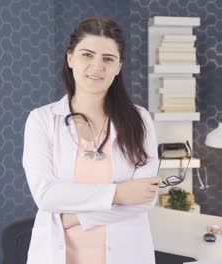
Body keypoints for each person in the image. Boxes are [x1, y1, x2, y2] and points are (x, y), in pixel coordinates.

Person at [22, 16, 161, 264]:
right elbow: (47, 195)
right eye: (87, 54)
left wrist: (73, 217)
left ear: (119, 67)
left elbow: (144, 197)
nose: (97, 67)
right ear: (70, 58)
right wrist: (118, 193)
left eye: (108, 59)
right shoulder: (42, 120)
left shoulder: (140, 119)